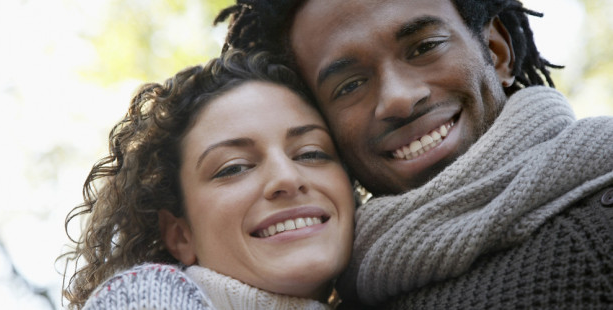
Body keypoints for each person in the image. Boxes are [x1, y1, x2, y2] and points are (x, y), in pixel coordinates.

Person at [215, 0, 613, 308]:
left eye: (424, 47)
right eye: (349, 85)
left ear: (496, 51)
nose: (399, 99)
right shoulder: (332, 291)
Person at [59, 50, 356, 310]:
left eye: (310, 153)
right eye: (234, 168)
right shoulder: (144, 298)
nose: (287, 177)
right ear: (180, 235)